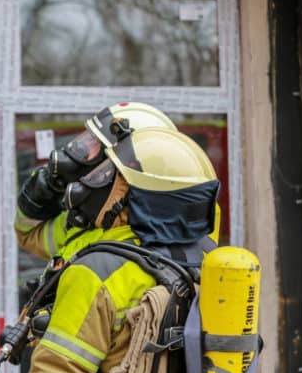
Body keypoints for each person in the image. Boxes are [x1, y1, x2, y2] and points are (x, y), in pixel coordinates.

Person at [10, 126, 220, 373]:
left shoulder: (97, 272)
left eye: (110, 176)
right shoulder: (209, 259)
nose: (95, 183)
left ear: (137, 194)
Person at [15, 102, 183, 261]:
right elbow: (29, 236)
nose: (81, 150)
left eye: (93, 144)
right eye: (86, 140)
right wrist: (35, 203)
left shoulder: (160, 251)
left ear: (123, 171)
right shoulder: (86, 220)